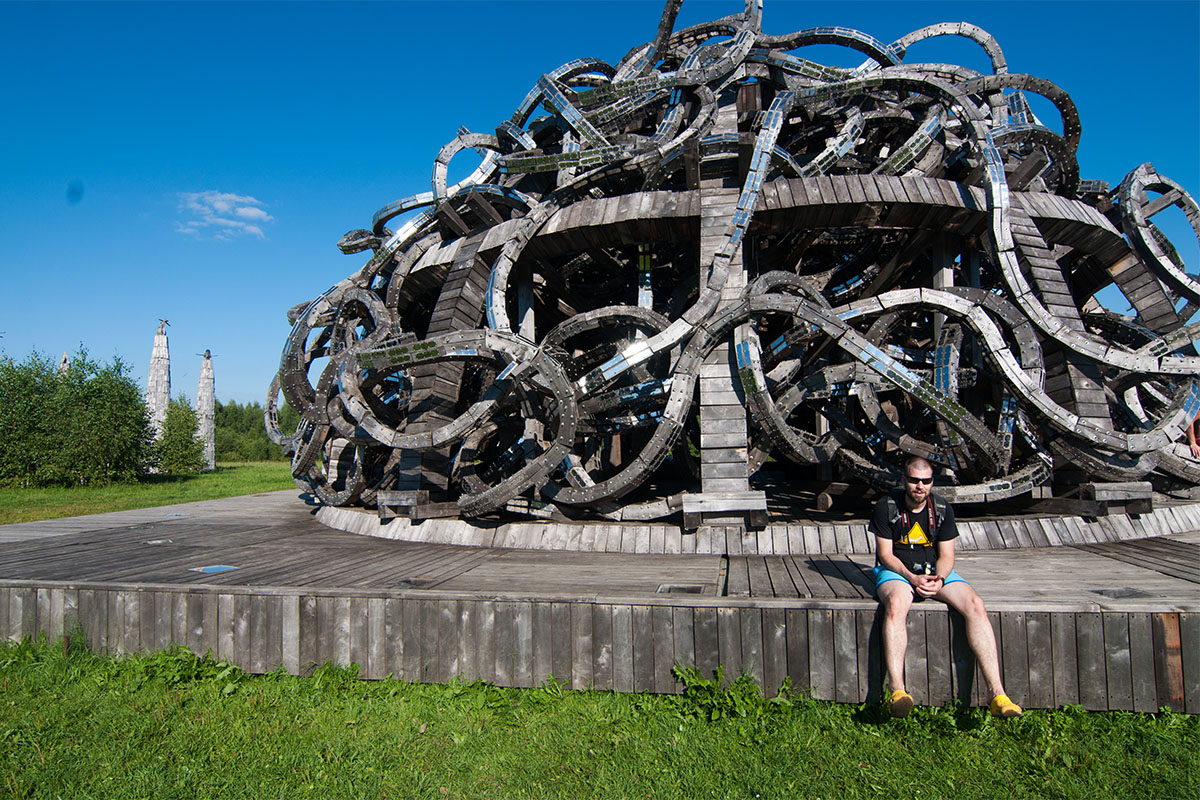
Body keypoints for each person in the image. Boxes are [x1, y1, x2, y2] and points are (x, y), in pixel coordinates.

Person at [870, 455, 1022, 718]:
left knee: (975, 605)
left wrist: (938, 579)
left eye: (926, 481)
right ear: (904, 480)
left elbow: (947, 556)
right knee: (896, 605)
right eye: (915, 480)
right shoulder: (886, 507)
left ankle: (997, 694)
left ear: (932, 483)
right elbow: (885, 555)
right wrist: (912, 577)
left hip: (934, 573)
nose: (920, 487)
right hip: (898, 572)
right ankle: (897, 690)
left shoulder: (941, 508)